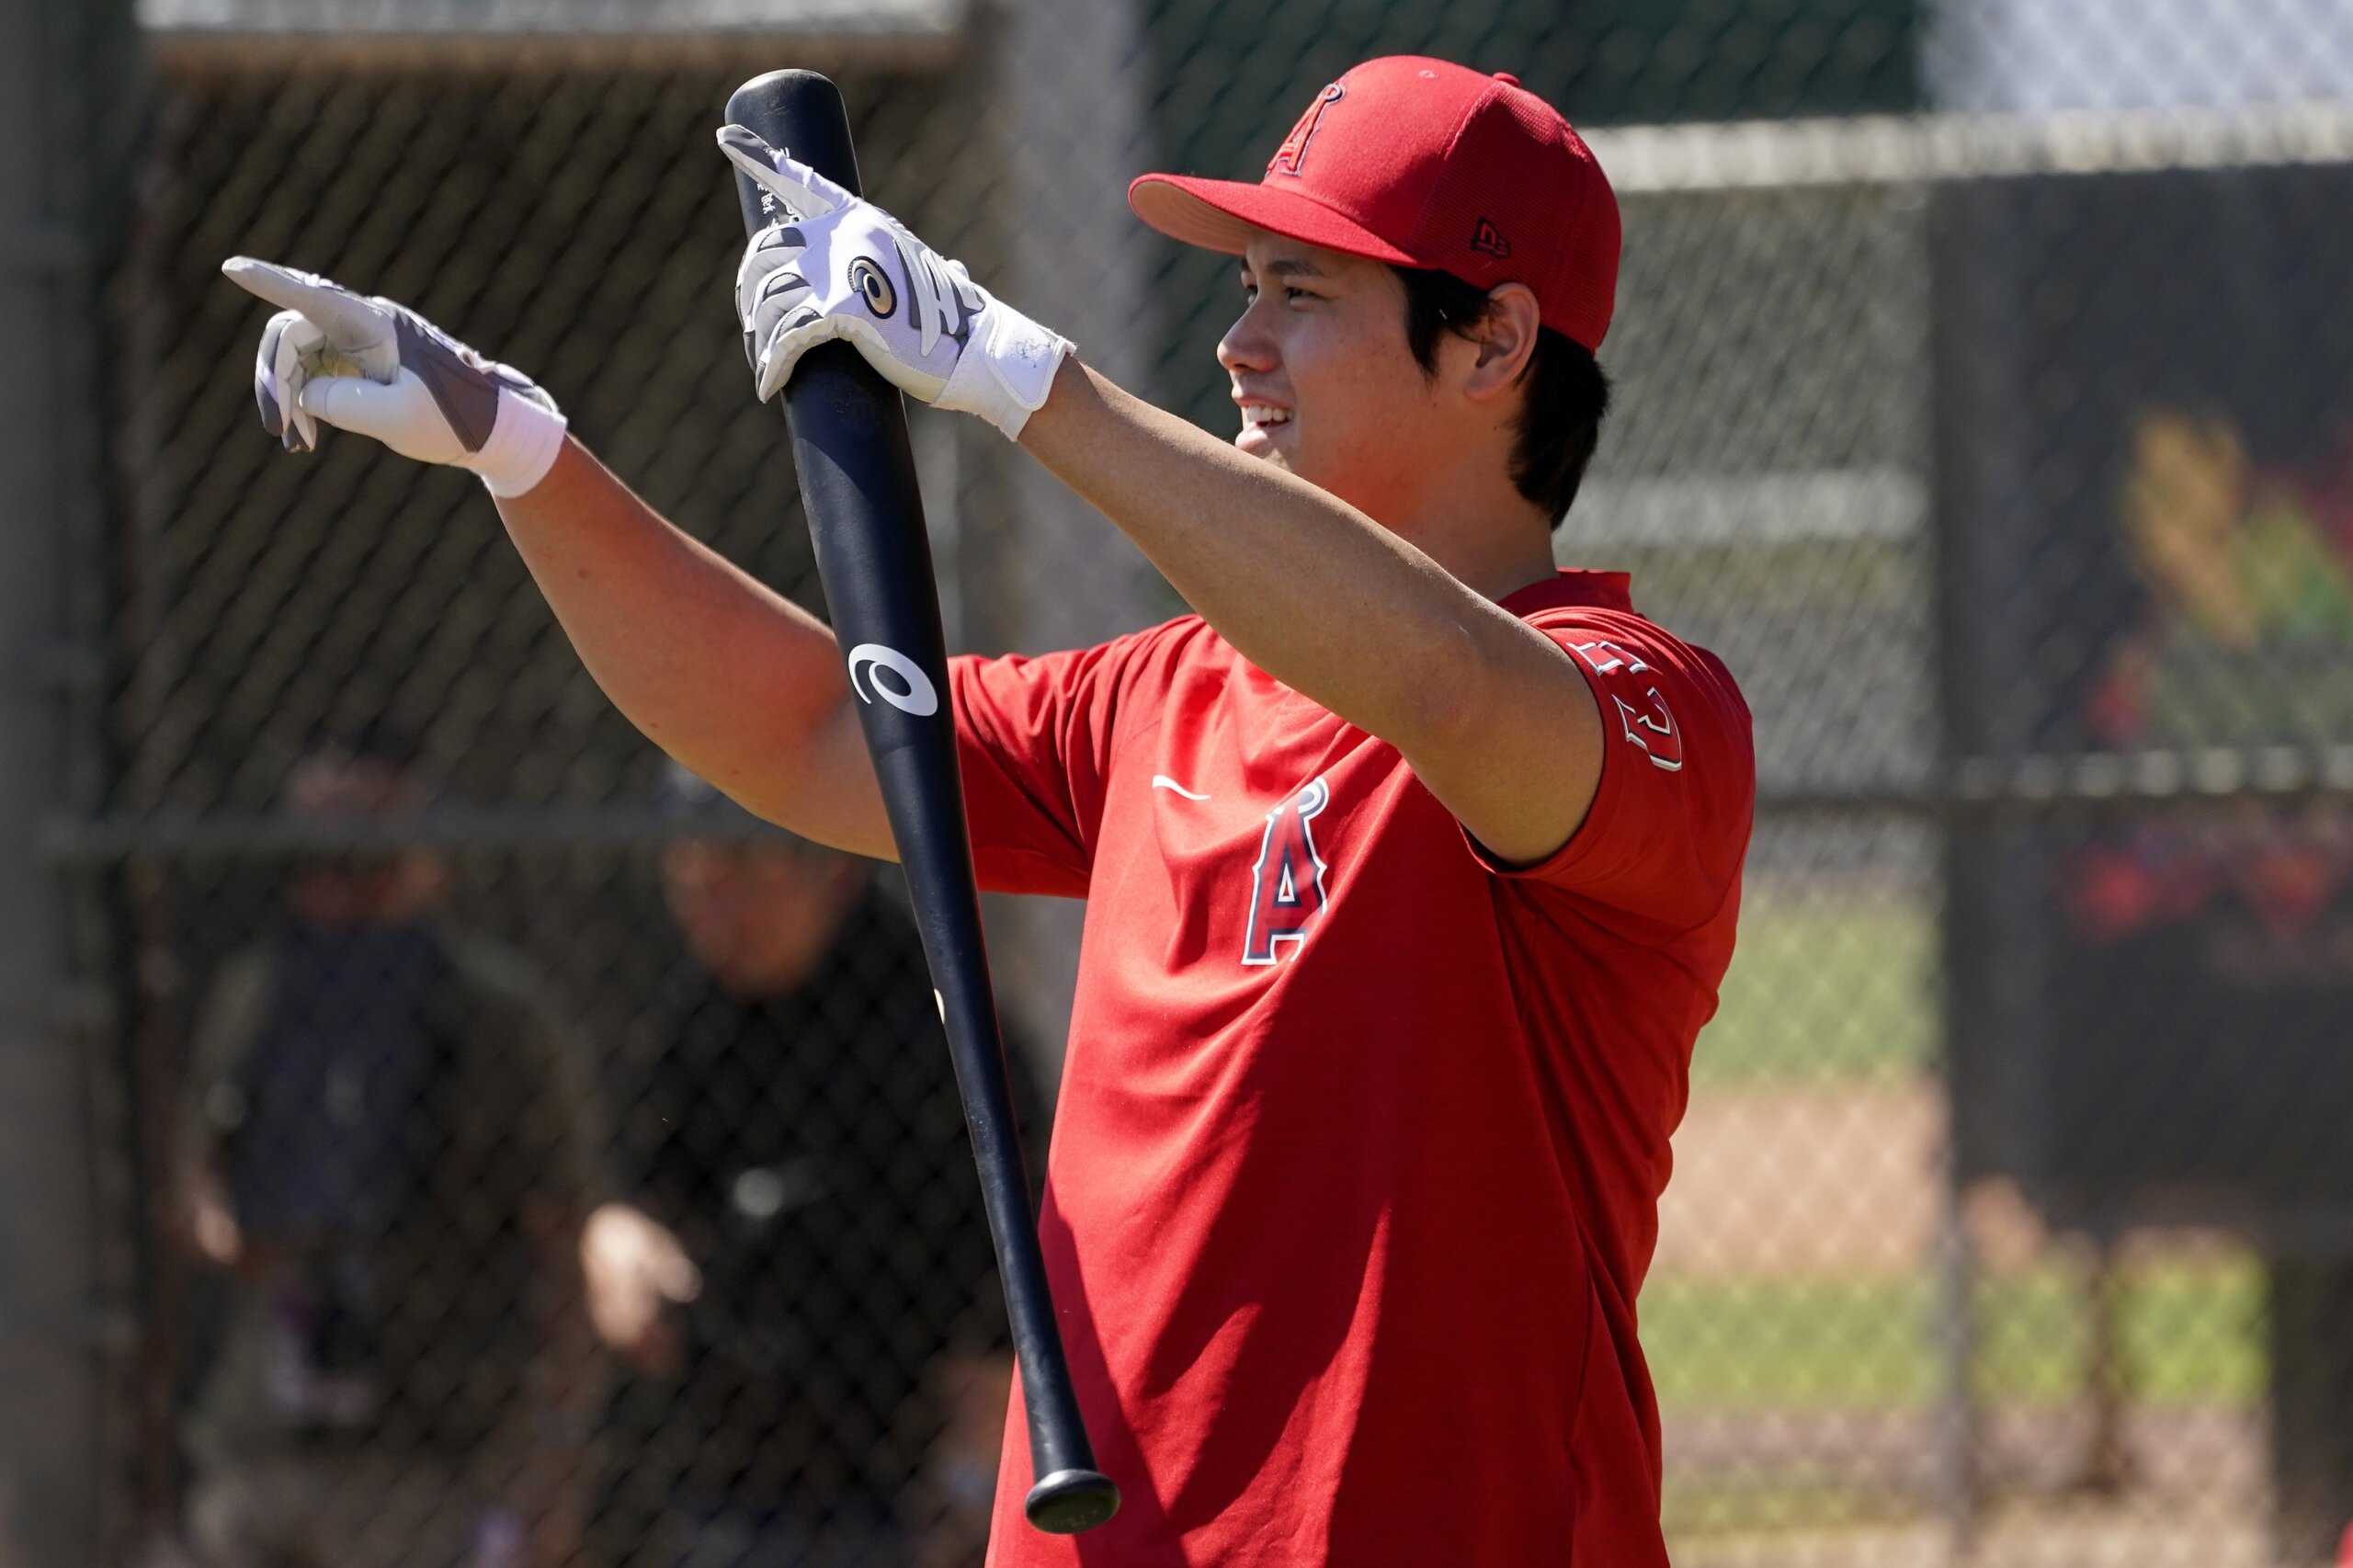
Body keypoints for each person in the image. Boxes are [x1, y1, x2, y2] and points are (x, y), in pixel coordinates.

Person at [220, 53, 1754, 1566]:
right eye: (1244, 288)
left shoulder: (1642, 703)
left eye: (1302, 292)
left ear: (1491, 343)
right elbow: (815, 726)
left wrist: (1015, 373)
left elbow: (1450, 692)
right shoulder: (1161, 693)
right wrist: (520, 450)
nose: (1239, 342)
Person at [581, 767, 1032, 1568]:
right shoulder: (699, 1015)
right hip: (735, 1449)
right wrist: (622, 1240)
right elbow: (642, 1185)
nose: (718, 910)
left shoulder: (935, 1018)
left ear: (836, 868)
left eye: (748, 874)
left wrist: (978, 1445)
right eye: (694, 878)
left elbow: (1021, 1237)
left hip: (910, 1463)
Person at [176, 739, 600, 1568]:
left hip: (429, 1455)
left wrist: (553, 1460)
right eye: (323, 848)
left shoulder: (494, 1012)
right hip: (261, 1441)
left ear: (427, 855)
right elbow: (196, 1187)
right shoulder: (256, 992)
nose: (344, 875)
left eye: (371, 847)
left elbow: (565, 1241)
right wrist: (243, 1221)